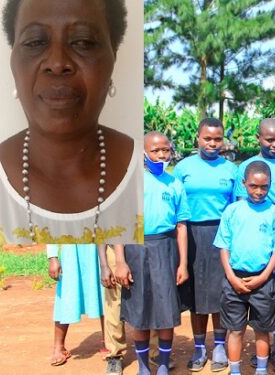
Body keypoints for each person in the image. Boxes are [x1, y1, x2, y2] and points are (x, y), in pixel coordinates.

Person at [0, 0, 142, 244]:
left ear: (113, 59)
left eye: (83, 42)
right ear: (13, 62)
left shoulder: (142, 176)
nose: (57, 63)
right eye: (35, 42)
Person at [115, 131, 189, 375]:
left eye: (165, 150)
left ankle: (163, 365)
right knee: (140, 310)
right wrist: (120, 261)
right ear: (144, 152)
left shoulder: (175, 184)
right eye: (155, 150)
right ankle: (144, 367)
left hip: (165, 248)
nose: (161, 155)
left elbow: (181, 226)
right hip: (136, 249)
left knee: (167, 310)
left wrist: (183, 264)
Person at [235, 118, 275, 372]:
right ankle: (260, 346)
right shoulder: (246, 167)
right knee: (256, 290)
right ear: (258, 138)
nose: (274, 144)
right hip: (254, 234)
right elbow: (241, 206)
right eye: (269, 139)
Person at [173, 118, 236, 372]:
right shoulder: (183, 167)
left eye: (217, 139)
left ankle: (219, 345)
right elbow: (176, 206)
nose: (212, 143)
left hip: (222, 234)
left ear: (223, 141)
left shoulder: (231, 170)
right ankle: (199, 347)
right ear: (197, 138)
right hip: (191, 233)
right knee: (196, 293)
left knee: (222, 291)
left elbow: (235, 208)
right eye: (207, 138)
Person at [214, 161, 275, 375]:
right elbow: (223, 246)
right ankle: (235, 370)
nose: (259, 191)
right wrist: (231, 277)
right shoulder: (232, 211)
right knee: (235, 330)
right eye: (253, 186)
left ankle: (261, 369)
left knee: (262, 331)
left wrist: (263, 277)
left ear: (270, 185)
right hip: (234, 279)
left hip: (263, 281)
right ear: (244, 184)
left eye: (264, 187)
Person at [47, 244, 104, 367]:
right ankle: (59, 347)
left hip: (98, 247)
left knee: (104, 292)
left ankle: (108, 342)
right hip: (70, 250)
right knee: (66, 293)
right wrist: (53, 257)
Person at [98, 244, 127, 375]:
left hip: (144, 247)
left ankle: (155, 352)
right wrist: (104, 266)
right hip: (114, 251)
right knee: (114, 304)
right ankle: (115, 355)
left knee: (150, 300)